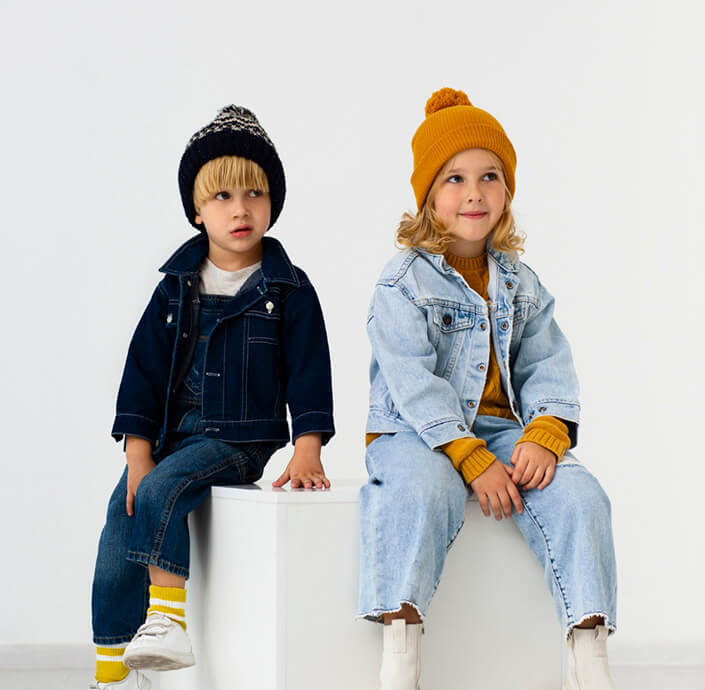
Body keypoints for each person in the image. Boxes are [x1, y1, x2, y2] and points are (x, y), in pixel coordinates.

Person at [358, 88, 618, 690]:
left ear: (507, 191)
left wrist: (545, 432)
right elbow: (412, 381)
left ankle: (589, 656)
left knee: (580, 496)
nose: (473, 193)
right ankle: (401, 652)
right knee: (421, 491)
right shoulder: (403, 282)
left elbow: (547, 362)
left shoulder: (522, 282)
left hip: (501, 431)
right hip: (413, 432)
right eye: (454, 178)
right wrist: (467, 456)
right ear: (429, 194)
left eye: (489, 177)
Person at [90, 105, 335, 689]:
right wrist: (137, 451)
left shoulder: (288, 289)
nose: (240, 209)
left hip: (238, 439)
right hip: (171, 435)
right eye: (222, 196)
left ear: (272, 202)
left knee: (162, 490)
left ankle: (167, 621)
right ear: (197, 210)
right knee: (121, 519)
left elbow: (309, 371)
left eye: (254, 193)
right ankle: (112, 670)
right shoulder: (174, 288)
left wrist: (308, 446)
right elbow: (143, 371)